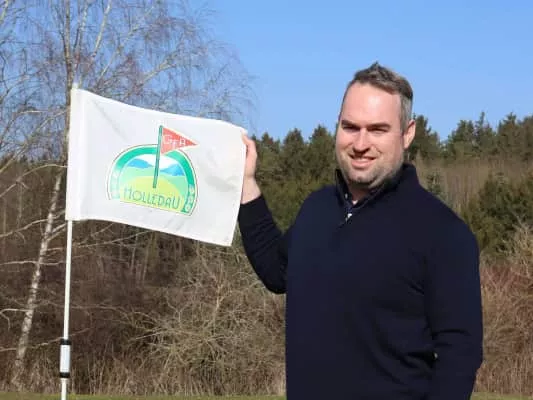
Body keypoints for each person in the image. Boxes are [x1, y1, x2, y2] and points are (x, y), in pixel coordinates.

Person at [238, 62, 483, 400]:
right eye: (350, 127)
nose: (360, 143)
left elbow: (460, 355)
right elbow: (276, 271)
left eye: (378, 129)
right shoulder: (317, 209)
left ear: (407, 133)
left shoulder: (443, 233)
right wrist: (247, 185)